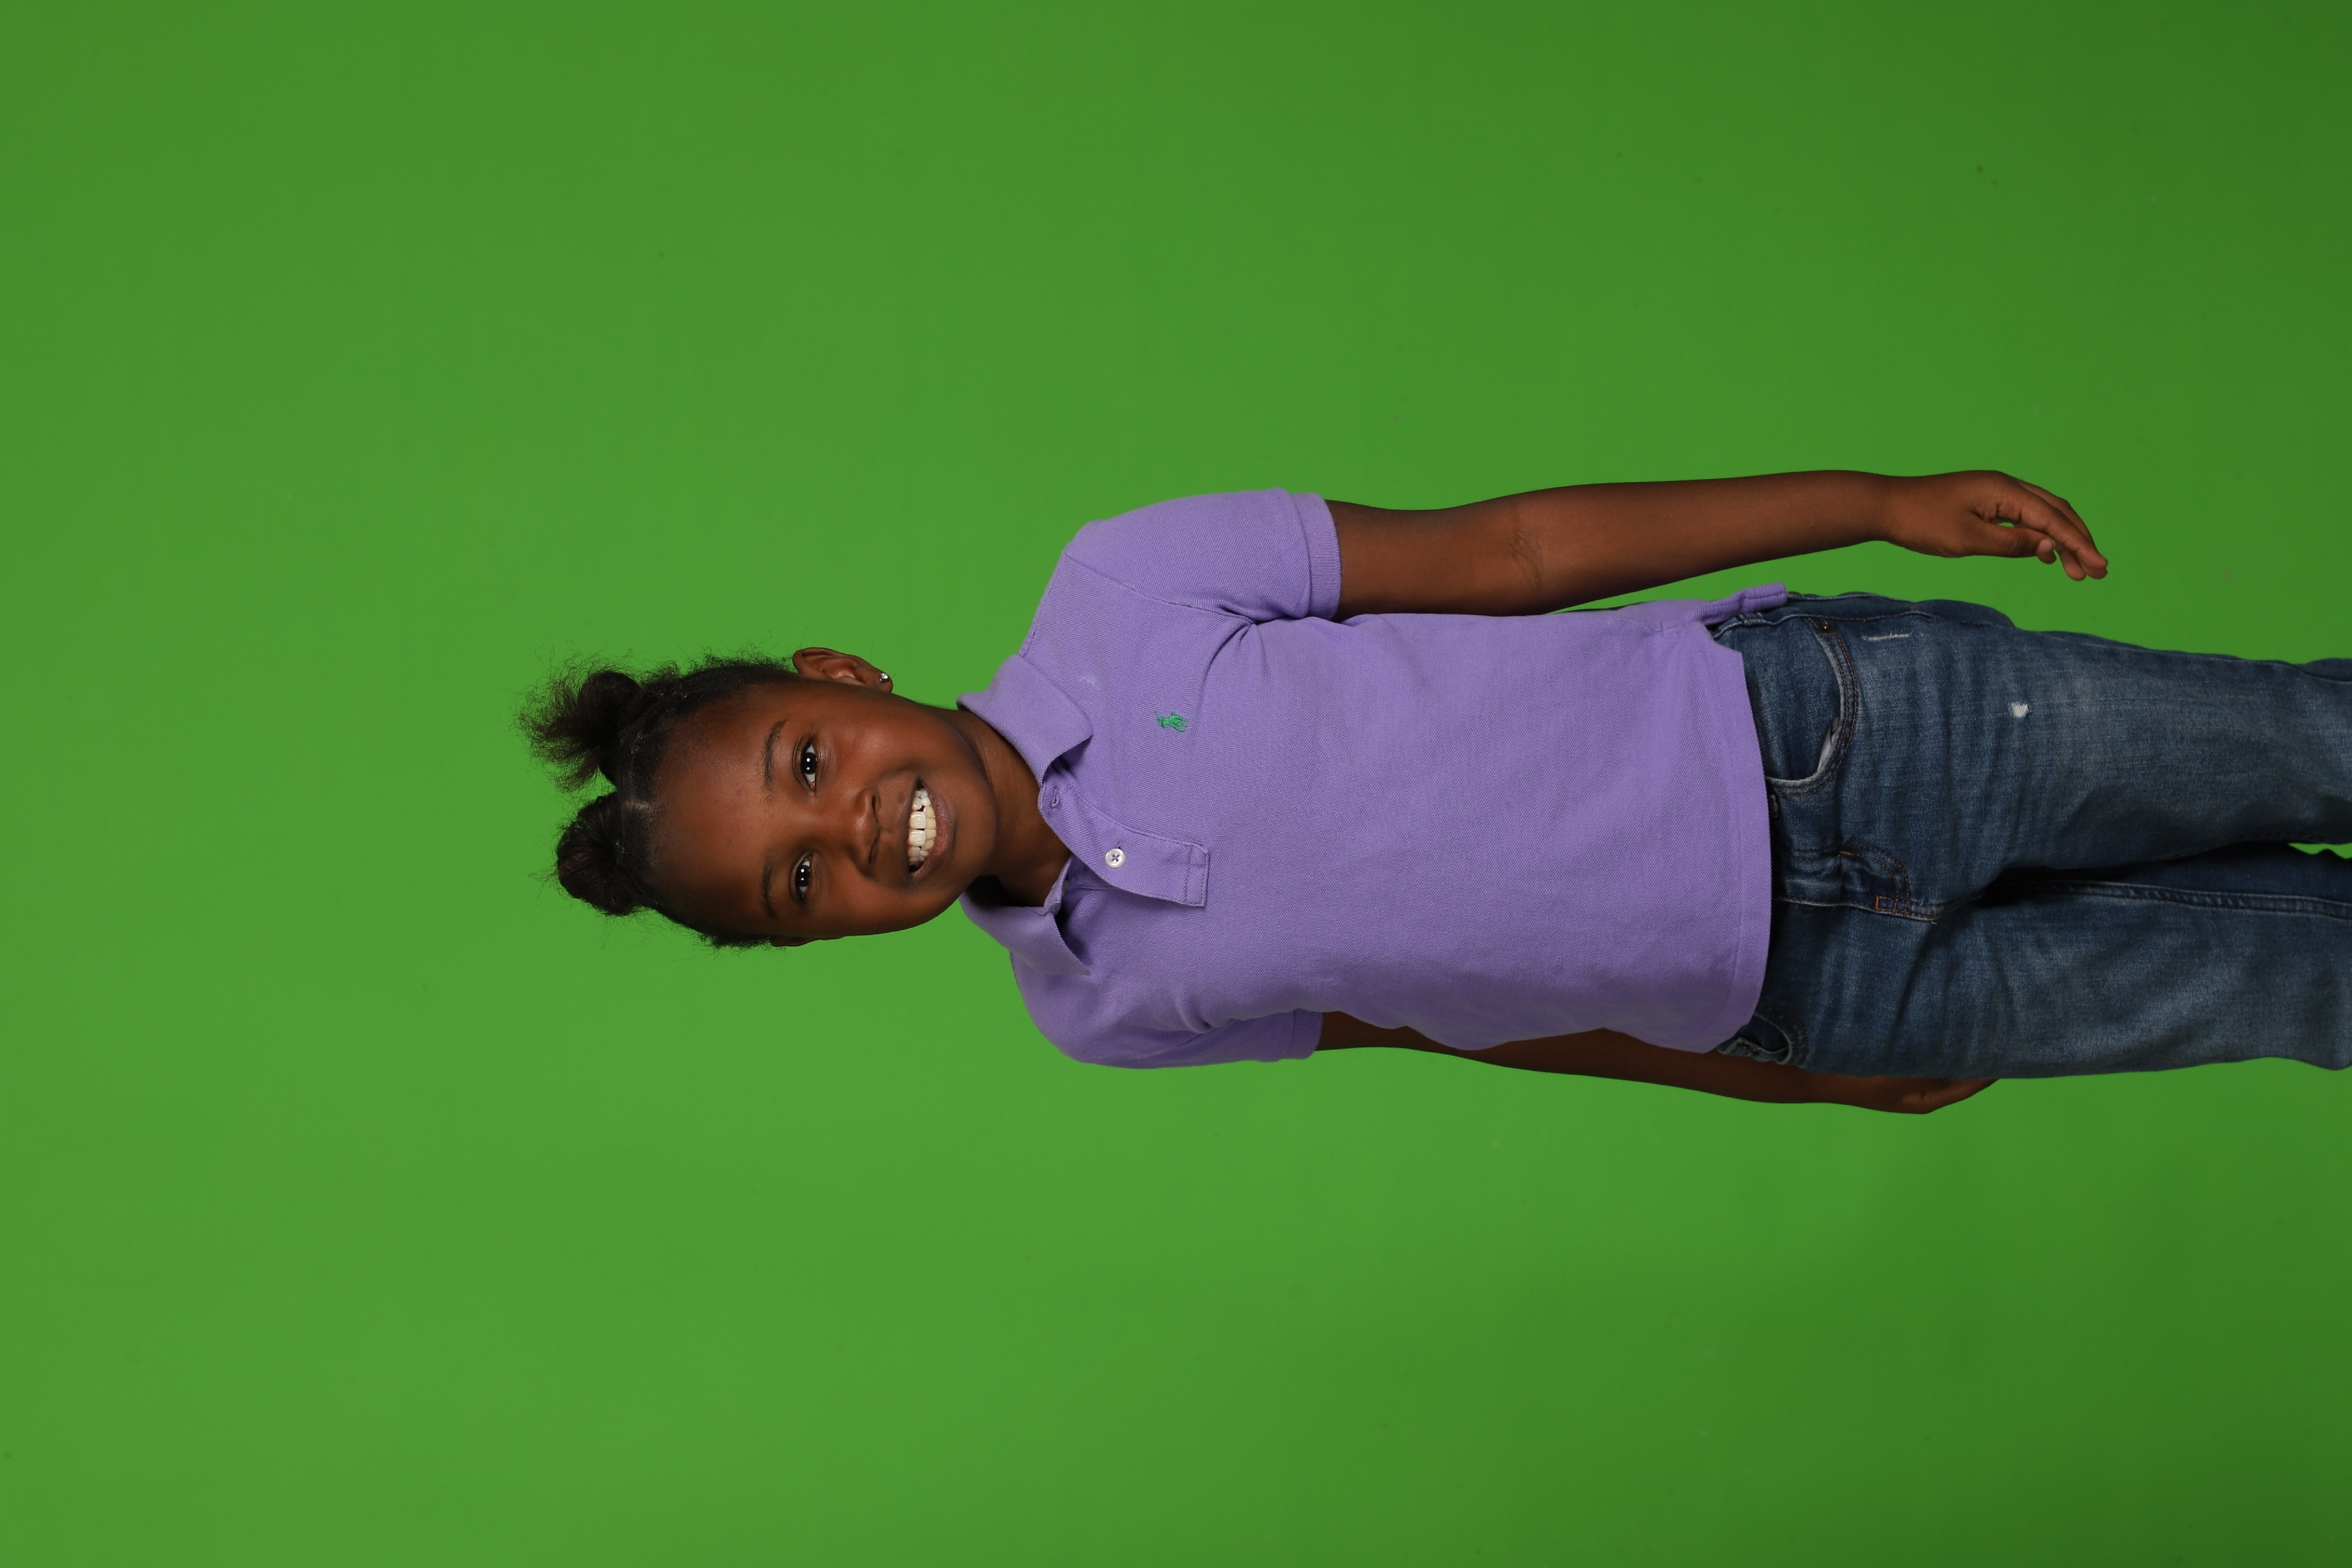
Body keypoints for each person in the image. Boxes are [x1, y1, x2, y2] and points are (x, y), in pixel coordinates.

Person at [520, 471, 2352, 1113]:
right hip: (1818, 993)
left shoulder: (1124, 587)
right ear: (817, 938)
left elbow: (1517, 550)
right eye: (801, 880)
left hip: (1847, 731)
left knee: (2311, 741)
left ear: (840, 677)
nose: (852, 829)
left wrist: (1869, 500)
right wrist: (1794, 1079)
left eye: (810, 765)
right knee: (2305, 978)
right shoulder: (1099, 1008)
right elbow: (1455, 1020)